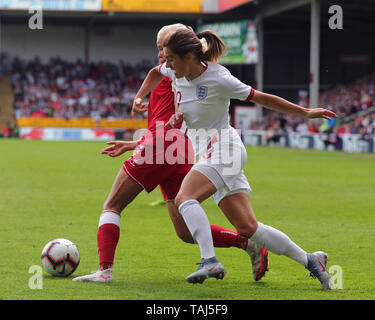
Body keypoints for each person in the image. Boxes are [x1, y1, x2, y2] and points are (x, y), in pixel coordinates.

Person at [133, 27, 337, 290]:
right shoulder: (174, 71)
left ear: (188, 57)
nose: (166, 63)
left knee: (185, 198)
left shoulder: (219, 78)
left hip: (225, 148)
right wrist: (141, 98)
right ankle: (311, 260)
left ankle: (209, 260)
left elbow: (262, 98)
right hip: (210, 153)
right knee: (247, 227)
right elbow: (153, 73)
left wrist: (305, 112)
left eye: (171, 58)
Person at [72, 24, 269, 283]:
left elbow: (167, 123)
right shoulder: (177, 70)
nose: (160, 54)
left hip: (162, 148)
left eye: (162, 48)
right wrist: (135, 139)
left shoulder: (176, 72)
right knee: (185, 231)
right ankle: (247, 244)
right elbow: (169, 121)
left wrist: (141, 138)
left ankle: (104, 271)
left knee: (112, 205)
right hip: (178, 150)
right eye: (158, 49)